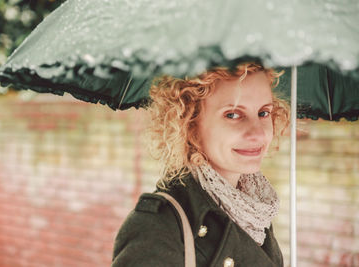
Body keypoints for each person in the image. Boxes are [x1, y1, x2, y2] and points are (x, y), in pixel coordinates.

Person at [111, 62, 290, 267]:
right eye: (232, 114)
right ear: (189, 122)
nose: (258, 133)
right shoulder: (158, 227)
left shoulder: (256, 213)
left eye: (263, 113)